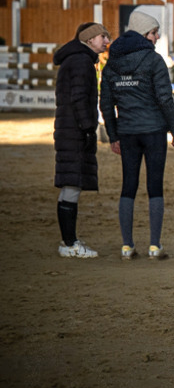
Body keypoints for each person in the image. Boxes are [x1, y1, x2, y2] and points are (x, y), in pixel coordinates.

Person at [100, 10, 174, 260]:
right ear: (144, 33)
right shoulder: (154, 61)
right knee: (155, 186)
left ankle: (127, 246)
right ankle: (155, 246)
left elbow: (106, 104)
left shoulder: (111, 63)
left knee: (129, 185)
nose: (157, 37)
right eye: (154, 32)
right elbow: (165, 99)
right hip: (154, 131)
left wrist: (113, 135)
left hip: (127, 132)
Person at [53, 22, 111, 258]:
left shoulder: (77, 59)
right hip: (74, 131)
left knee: (70, 184)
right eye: (102, 37)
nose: (106, 41)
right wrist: (88, 128)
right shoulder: (81, 62)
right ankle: (69, 244)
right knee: (72, 184)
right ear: (89, 40)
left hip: (69, 129)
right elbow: (79, 98)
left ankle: (69, 240)